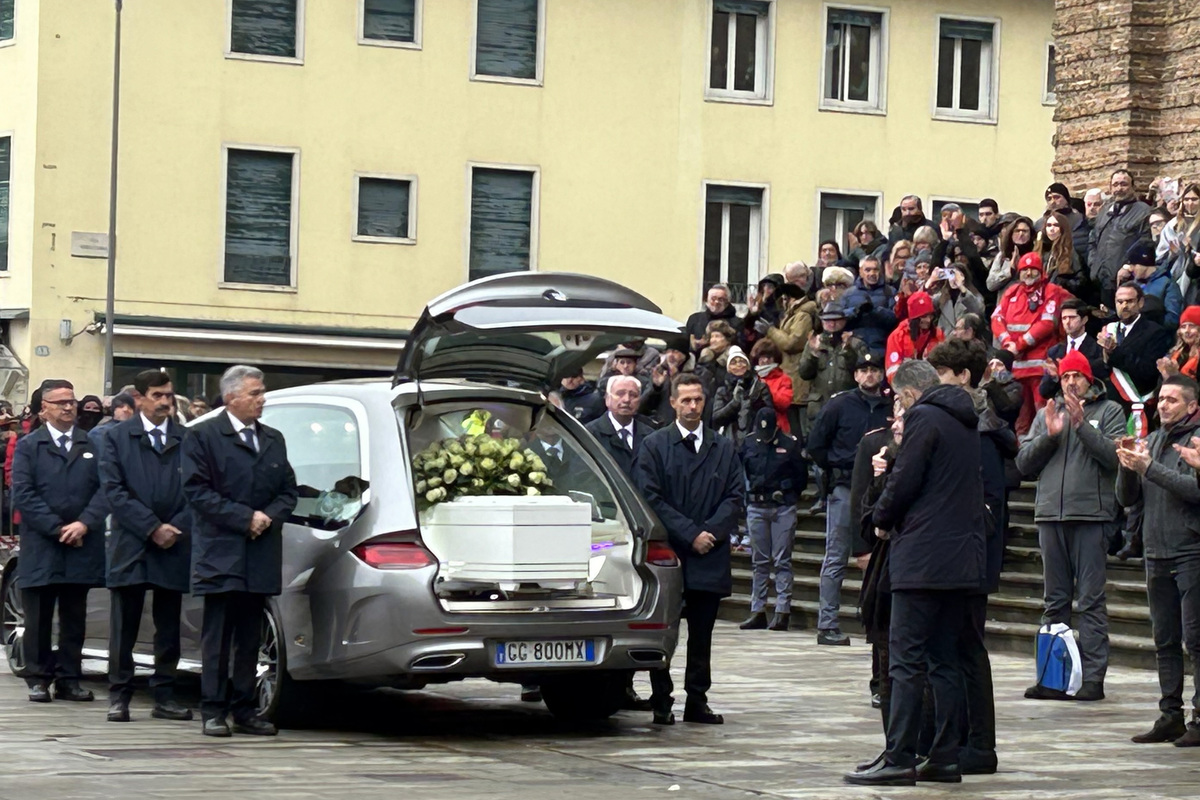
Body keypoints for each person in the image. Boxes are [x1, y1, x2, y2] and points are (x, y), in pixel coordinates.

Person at [845, 355, 987, 787]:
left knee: (905, 661)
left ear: (908, 394)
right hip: (960, 559)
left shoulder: (925, 417)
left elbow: (905, 480)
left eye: (900, 402)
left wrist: (879, 522)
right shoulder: (964, 419)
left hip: (922, 560)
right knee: (944, 660)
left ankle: (899, 755)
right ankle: (943, 755)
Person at [182, 365, 298, 737]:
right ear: (231, 397)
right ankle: (213, 709)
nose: (261, 399)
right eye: (254, 393)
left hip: (260, 551)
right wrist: (243, 517)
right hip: (221, 550)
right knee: (218, 635)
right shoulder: (202, 436)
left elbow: (288, 491)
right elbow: (197, 492)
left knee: (250, 635)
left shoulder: (273, 439)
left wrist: (267, 517)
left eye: (261, 392)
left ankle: (245, 709)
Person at [633, 374, 744, 726]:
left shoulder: (722, 446)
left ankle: (698, 699)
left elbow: (735, 495)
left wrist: (710, 532)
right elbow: (651, 497)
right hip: (671, 555)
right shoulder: (655, 445)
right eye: (686, 401)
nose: (693, 406)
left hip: (710, 553)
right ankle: (661, 699)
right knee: (664, 630)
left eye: (698, 400)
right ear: (673, 403)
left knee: (702, 634)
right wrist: (690, 533)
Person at [926, 338, 1014, 774]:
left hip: (970, 557)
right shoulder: (968, 423)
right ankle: (964, 740)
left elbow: (987, 504)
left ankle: (978, 744)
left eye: (942, 376)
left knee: (968, 650)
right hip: (966, 554)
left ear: (963, 377)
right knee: (961, 648)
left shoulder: (978, 430)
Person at [1017, 350, 1126, 702]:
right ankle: (1053, 677)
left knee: (1091, 600)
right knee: (1055, 601)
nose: (1071, 383)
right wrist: (1050, 436)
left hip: (1091, 516)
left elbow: (1114, 458)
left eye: (1077, 376)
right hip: (1050, 514)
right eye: (1065, 377)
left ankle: (1093, 678)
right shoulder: (1048, 412)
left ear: (1089, 379)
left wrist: (1081, 427)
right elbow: (1022, 463)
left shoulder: (1109, 411)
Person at [98, 369, 194, 723]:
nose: (165, 401)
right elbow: (114, 489)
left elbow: (196, 489)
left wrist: (175, 527)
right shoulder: (116, 438)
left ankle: (165, 694)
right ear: (139, 398)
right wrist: (151, 527)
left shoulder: (188, 438)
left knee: (168, 624)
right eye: (157, 395)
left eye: (168, 394)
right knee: (124, 623)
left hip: (175, 541)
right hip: (132, 542)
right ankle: (119, 695)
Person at [10, 379, 109, 704]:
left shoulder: (91, 444)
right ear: (44, 410)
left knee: (74, 616)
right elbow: (24, 493)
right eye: (60, 402)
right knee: (38, 615)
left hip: (82, 543)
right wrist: (58, 528)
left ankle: (69, 678)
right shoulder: (29, 445)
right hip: (43, 544)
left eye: (72, 400)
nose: (69, 407)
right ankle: (38, 677)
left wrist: (83, 524)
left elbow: (105, 490)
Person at [1116, 375, 1200, 746]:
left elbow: (1193, 490)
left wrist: (1149, 467)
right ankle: (1170, 714)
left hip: (1190, 549)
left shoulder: (1195, 440)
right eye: (1161, 399)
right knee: (1164, 639)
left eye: (1172, 400)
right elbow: (1127, 500)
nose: (1163, 405)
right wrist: (1127, 465)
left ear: (1192, 406)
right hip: (1155, 549)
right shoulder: (1152, 440)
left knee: (1196, 639)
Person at [584, 373, 656, 712]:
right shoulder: (591, 434)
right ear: (608, 398)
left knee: (634, 605)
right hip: (606, 530)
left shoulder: (651, 434)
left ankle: (626, 685)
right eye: (620, 394)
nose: (626, 399)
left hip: (642, 528)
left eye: (632, 394)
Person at [807, 352, 889, 646]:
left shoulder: (889, 406)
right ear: (855, 375)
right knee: (837, 554)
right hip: (844, 486)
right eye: (863, 370)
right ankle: (827, 622)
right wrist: (837, 464)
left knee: (879, 556)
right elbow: (815, 443)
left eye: (874, 370)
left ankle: (875, 620)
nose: (869, 375)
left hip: (881, 486)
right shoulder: (839, 404)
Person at [738, 407, 806, 632]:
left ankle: (782, 610)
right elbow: (742, 472)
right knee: (759, 561)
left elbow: (801, 477)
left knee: (782, 560)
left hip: (781, 507)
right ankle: (757, 609)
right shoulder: (749, 443)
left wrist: (788, 495)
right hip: (756, 506)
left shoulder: (789, 444)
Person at [991, 251, 1072, 435]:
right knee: (1022, 419)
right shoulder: (1012, 291)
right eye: (1024, 269)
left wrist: (1017, 346)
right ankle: (1023, 456)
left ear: (1040, 271)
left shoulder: (1051, 291)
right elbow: (996, 317)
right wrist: (1007, 343)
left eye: (1032, 269)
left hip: (1039, 369)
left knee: (1043, 414)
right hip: (1017, 369)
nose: (1028, 273)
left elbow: (1047, 323)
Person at [1098, 282, 1174, 427]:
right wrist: (1105, 356)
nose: (1124, 306)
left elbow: (1147, 371)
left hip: (1138, 406)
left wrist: (1115, 352)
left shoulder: (1155, 332)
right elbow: (1102, 368)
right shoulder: (1109, 330)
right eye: (1120, 302)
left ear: (1141, 303)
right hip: (1110, 405)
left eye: (1129, 301)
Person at [1089, 169, 1153, 309]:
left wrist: (1128, 267)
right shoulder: (1105, 211)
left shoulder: (1143, 211)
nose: (1119, 188)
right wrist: (1093, 264)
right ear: (1110, 187)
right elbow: (1093, 240)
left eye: (1124, 184)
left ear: (1132, 187)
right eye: (1116, 184)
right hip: (1101, 278)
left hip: (1126, 280)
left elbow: (1146, 242)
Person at [761, 281, 819, 436]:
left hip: (798, 375)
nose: (783, 303)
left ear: (790, 298)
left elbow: (792, 343)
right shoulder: (793, 314)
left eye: (784, 299)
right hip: (791, 373)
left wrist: (771, 331)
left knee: (798, 427)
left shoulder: (803, 316)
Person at [1040, 298, 1111, 400]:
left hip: (1092, 404)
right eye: (1064, 318)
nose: (1067, 322)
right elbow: (1044, 392)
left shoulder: (1098, 348)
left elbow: (1103, 377)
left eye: (1072, 317)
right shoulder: (1054, 351)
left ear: (1084, 320)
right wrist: (1054, 377)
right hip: (1063, 406)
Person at [1116, 241, 1183, 330]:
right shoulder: (1134, 283)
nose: (1131, 269)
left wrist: (1151, 322)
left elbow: (1173, 319)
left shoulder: (1167, 284)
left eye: (1134, 265)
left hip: (1156, 337)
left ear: (1144, 264)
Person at [710, 346, 765, 447]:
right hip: (730, 439)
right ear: (728, 368)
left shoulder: (760, 386)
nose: (738, 365)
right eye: (733, 362)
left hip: (755, 436)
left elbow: (767, 412)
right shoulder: (722, 390)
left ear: (748, 366)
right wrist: (734, 403)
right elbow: (716, 418)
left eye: (742, 361)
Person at [842, 256, 897, 355]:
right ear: (860, 272)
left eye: (875, 270)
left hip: (881, 344)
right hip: (855, 345)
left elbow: (894, 318)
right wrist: (856, 311)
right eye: (868, 270)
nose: (872, 273)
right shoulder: (849, 293)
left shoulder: (889, 291)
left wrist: (874, 310)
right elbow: (840, 317)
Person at [884, 291, 944, 381]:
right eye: (923, 316)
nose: (928, 320)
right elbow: (892, 372)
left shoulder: (937, 334)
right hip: (908, 387)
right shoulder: (897, 337)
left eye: (930, 316)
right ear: (914, 318)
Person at [1038, 210, 1091, 302]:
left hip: (1063, 300)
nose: (1052, 229)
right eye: (1049, 225)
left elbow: (1081, 282)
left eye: (1056, 225)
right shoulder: (1044, 252)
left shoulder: (1071, 253)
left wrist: (1063, 283)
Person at [749, 339, 792, 434]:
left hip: (778, 427)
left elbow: (784, 403)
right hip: (754, 426)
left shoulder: (783, 378)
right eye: (762, 357)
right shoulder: (751, 378)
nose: (765, 360)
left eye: (769, 357)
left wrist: (765, 388)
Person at [986, 216, 1036, 296]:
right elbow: (990, 285)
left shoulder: (1036, 255)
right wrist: (1010, 271)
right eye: (1017, 231)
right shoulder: (1003, 255)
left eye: (1025, 231)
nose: (1021, 234)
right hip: (1006, 304)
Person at [686, 284, 742, 353]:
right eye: (713, 299)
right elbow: (686, 344)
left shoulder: (737, 322)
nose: (716, 302)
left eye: (721, 299)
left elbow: (740, 346)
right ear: (707, 301)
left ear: (727, 302)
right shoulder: (695, 319)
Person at [1158, 305, 1200, 380]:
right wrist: (1165, 374)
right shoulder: (1177, 353)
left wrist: (1175, 376)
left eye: (1192, 326)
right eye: (1183, 327)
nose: (1187, 331)